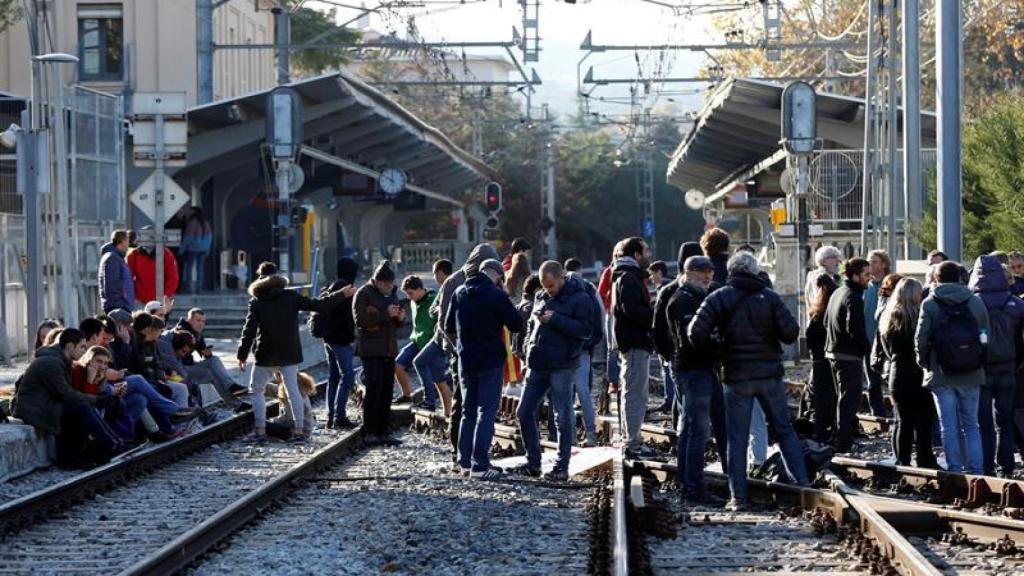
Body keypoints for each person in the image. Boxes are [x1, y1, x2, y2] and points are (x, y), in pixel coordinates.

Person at [688, 252, 809, 511]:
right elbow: (790, 333)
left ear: (731, 271)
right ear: (755, 271)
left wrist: (719, 349)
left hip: (736, 376)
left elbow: (695, 332)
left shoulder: (719, 297)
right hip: (770, 375)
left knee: (737, 437)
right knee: (784, 430)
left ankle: (738, 498)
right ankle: (803, 487)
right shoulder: (770, 297)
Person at [237, 261, 344, 444]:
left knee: (256, 390)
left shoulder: (257, 301)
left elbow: (249, 331)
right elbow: (317, 305)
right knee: (292, 389)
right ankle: (300, 430)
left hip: (266, 353)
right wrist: (340, 294)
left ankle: (260, 431)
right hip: (289, 352)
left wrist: (242, 355)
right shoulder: (290, 296)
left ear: (259, 277)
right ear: (277, 277)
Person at [513, 261, 593, 481]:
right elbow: (531, 327)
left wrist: (555, 319)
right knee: (524, 411)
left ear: (562, 277)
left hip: (562, 364)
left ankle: (561, 465)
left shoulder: (580, 298)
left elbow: (586, 330)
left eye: (551, 285)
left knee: (563, 416)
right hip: (538, 362)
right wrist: (527, 353)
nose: (548, 290)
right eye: (545, 286)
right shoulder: (541, 296)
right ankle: (533, 463)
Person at [444, 258, 523, 479]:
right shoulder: (496, 295)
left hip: (465, 360)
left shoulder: (460, 292)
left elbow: (447, 326)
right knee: (486, 412)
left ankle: (465, 463)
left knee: (468, 412)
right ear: (498, 276)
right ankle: (480, 465)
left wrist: (459, 347)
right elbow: (517, 323)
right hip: (490, 360)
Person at [12, 329, 126, 467]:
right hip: (36, 410)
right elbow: (66, 394)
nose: (85, 351)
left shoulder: (60, 360)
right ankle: (107, 445)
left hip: (49, 405)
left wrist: (98, 396)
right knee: (81, 407)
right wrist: (97, 400)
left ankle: (108, 444)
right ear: (70, 346)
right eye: (82, 347)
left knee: (86, 404)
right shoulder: (51, 362)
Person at [916, 260, 989, 474]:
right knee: (971, 425)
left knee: (948, 427)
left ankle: (955, 470)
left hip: (941, 372)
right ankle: (977, 470)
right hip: (971, 371)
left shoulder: (930, 303)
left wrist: (924, 362)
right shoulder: (975, 302)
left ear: (936, 279)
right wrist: (980, 354)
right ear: (960, 277)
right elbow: (985, 332)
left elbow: (920, 338)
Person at [432, 243, 501, 461]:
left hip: (475, 352)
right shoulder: (454, 281)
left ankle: (472, 452)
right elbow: (444, 322)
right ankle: (459, 449)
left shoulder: (485, 282)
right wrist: (458, 350)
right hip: (460, 354)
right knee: (462, 403)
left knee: (474, 405)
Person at [666, 255, 720, 505]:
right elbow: (693, 339)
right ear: (688, 274)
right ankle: (693, 487)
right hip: (694, 368)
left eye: (709, 272)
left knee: (689, 428)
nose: (707, 276)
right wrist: (719, 345)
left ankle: (687, 483)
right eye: (701, 273)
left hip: (692, 368)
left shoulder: (691, 297)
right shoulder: (684, 301)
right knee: (697, 430)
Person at [969, 254, 1023, 476]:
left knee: (983, 422)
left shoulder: (972, 303)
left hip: (981, 369)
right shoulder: (1016, 303)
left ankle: (987, 466)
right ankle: (1007, 465)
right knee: (1005, 419)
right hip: (1009, 367)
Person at [874, 278, 938, 468]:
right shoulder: (921, 315)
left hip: (898, 372)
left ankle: (903, 460)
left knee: (903, 421)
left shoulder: (887, 317)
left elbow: (885, 349)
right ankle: (925, 459)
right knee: (925, 420)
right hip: (920, 372)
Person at [611, 237, 656, 459]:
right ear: (636, 255)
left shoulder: (624, 276)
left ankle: (633, 439)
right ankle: (633, 443)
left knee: (633, 391)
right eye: (646, 251)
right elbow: (634, 312)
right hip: (635, 342)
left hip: (633, 342)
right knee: (635, 393)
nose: (649, 254)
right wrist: (654, 314)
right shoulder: (629, 279)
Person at [353, 261, 405, 446]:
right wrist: (385, 313)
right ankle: (369, 430)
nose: (390, 286)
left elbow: (396, 322)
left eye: (392, 283)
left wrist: (400, 318)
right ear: (378, 281)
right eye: (387, 283)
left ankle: (383, 430)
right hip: (371, 349)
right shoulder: (363, 294)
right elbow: (361, 321)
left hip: (388, 349)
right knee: (373, 388)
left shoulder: (392, 294)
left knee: (386, 390)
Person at [825, 257, 871, 453]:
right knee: (849, 400)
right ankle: (843, 443)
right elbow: (854, 328)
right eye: (866, 274)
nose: (870, 278)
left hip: (833, 352)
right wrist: (865, 348)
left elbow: (827, 321)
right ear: (855, 276)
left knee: (842, 398)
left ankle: (842, 436)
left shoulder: (837, 292)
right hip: (848, 355)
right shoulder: (853, 296)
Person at [171, 308, 251, 414]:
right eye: (198, 320)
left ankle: (237, 404)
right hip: (180, 369)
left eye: (203, 321)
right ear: (189, 320)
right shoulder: (182, 330)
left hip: (189, 366)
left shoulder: (197, 333)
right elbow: (178, 355)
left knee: (212, 372)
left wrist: (207, 354)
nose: (201, 324)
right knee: (214, 361)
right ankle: (231, 387)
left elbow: (203, 353)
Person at [313, 257, 359, 429]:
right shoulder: (347, 290)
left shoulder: (329, 288)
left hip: (328, 339)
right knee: (348, 376)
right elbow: (348, 319)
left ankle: (331, 415)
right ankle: (340, 416)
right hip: (341, 341)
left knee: (333, 377)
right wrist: (352, 339)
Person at [565, 258, 603, 447]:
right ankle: (590, 433)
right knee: (583, 391)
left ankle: (569, 436)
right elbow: (600, 316)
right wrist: (592, 344)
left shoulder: (561, 291)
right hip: (583, 349)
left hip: (564, 350)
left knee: (564, 394)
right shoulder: (589, 289)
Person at [410, 259, 454, 417]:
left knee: (423, 364)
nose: (434, 276)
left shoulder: (449, 285)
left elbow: (434, 310)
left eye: (435, 272)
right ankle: (447, 412)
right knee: (439, 378)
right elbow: (433, 310)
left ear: (441, 272)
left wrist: (438, 310)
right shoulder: (448, 285)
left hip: (443, 337)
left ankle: (431, 401)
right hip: (441, 336)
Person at [397, 275, 446, 412]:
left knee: (425, 368)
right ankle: (407, 395)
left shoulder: (434, 300)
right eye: (406, 294)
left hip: (431, 342)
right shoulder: (413, 301)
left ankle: (429, 401)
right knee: (397, 365)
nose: (408, 297)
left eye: (410, 293)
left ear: (419, 289)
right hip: (417, 340)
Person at [805, 273, 838, 443]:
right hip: (833, 359)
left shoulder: (816, 314)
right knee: (833, 396)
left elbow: (809, 338)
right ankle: (832, 428)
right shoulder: (835, 311)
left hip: (819, 362)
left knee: (818, 397)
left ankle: (819, 428)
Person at [863, 250, 891, 418]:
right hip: (868, 340)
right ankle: (878, 413)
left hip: (887, 341)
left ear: (884, 264)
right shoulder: (865, 286)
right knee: (873, 382)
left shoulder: (891, 284)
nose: (870, 265)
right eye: (869, 262)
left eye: (874, 262)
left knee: (890, 378)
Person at [127, 229, 180, 306]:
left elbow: (173, 277)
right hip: (139, 300)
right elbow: (128, 277)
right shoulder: (134, 255)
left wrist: (166, 296)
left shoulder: (166, 254)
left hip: (161, 301)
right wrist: (132, 294)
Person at [98, 230, 135, 313]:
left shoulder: (116, 257)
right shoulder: (112, 258)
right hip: (117, 307)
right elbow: (111, 284)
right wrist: (119, 305)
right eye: (127, 241)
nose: (128, 245)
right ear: (122, 242)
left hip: (120, 306)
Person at [179, 207, 213, 294]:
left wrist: (181, 250)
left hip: (193, 248)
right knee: (200, 268)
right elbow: (209, 237)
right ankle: (199, 287)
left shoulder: (192, 223)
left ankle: (189, 287)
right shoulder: (206, 223)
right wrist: (207, 249)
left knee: (189, 267)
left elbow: (187, 238)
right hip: (203, 248)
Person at [804, 246, 842, 316]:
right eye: (834, 257)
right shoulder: (818, 278)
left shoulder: (833, 278)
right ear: (824, 261)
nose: (838, 261)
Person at [503, 238, 533, 302]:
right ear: (520, 251)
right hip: (518, 299)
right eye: (527, 252)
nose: (528, 255)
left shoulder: (506, 262)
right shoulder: (519, 263)